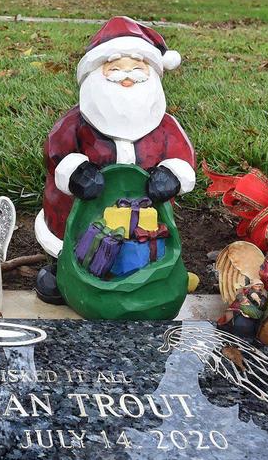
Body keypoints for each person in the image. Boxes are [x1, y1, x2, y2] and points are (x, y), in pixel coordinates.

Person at [35, 17, 196, 303]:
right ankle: (65, 270)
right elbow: (56, 151)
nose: (127, 77)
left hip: (144, 211)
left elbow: (181, 156)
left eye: (137, 69)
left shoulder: (164, 126)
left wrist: (172, 174)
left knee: (142, 246)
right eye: (115, 69)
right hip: (83, 209)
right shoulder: (77, 123)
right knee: (77, 237)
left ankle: (146, 276)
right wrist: (74, 171)